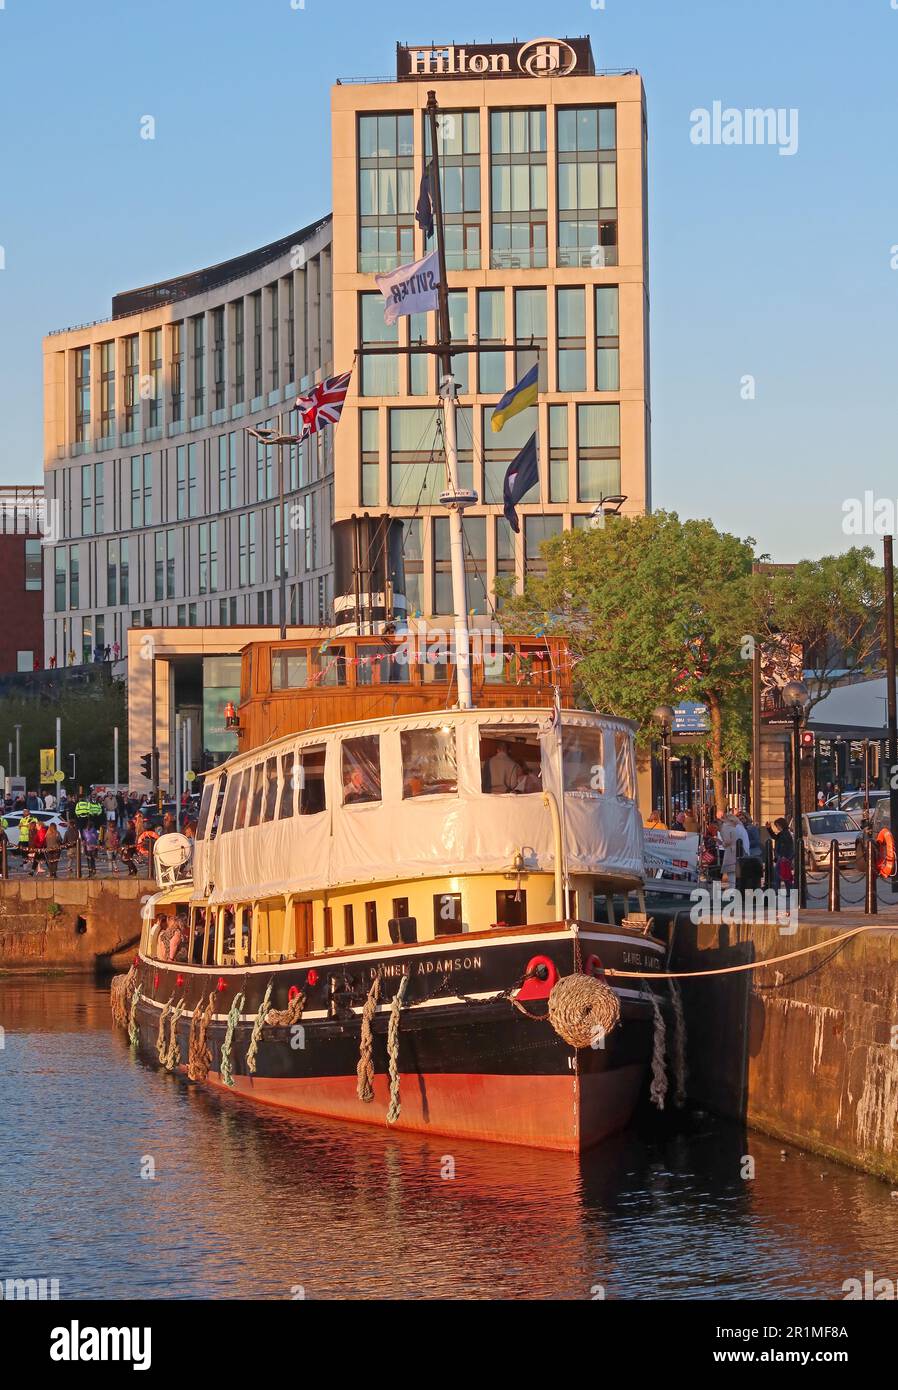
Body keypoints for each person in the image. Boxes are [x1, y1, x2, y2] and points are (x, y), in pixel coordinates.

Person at [765, 817, 795, 889]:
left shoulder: (785, 834)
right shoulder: (783, 833)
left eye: (777, 826)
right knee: (785, 874)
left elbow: (786, 847)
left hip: (783, 857)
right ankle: (788, 889)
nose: (777, 827)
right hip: (782, 857)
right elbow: (775, 837)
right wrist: (769, 829)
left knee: (778, 874)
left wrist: (783, 856)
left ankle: (777, 889)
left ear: (781, 825)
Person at [718, 811, 742, 884]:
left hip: (730, 851)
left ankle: (732, 890)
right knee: (735, 871)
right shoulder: (737, 827)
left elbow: (727, 841)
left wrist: (722, 843)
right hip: (737, 850)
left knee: (730, 871)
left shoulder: (726, 827)